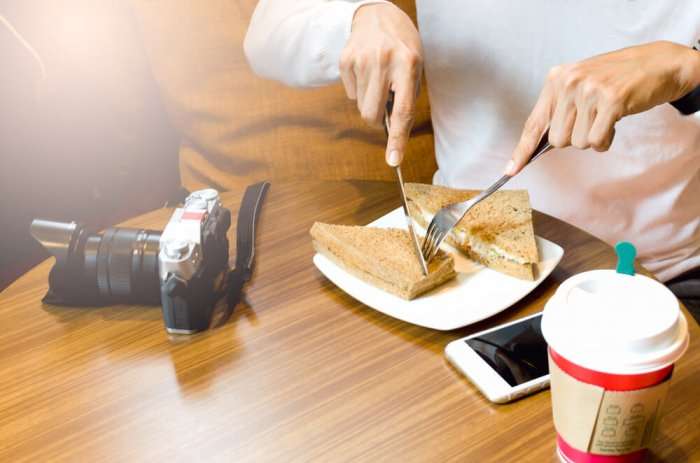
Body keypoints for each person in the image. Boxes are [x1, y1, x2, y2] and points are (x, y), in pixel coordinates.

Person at [244, 1, 700, 319]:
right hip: (466, 276)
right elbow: (266, 31)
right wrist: (357, 17)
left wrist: (686, 67)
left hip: (666, 277)